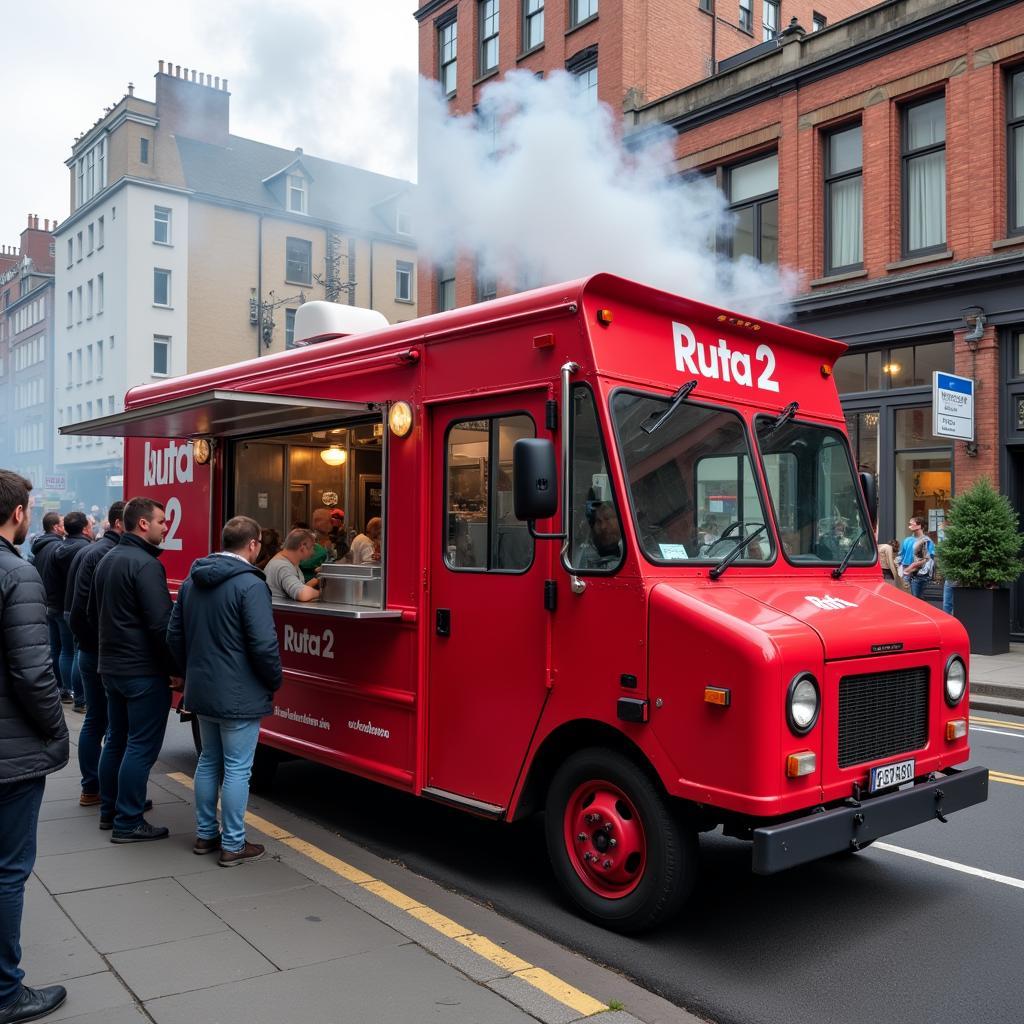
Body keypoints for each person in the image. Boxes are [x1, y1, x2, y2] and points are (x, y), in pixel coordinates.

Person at [167, 516, 283, 867]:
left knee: (208, 761)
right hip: (239, 691)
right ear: (252, 544)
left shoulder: (191, 580)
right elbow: (264, 644)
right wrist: (273, 679)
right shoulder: (251, 585)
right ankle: (233, 844)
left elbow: (174, 635)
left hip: (202, 688)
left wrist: (183, 673)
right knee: (237, 769)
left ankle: (206, 835)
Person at [0, 471, 69, 1024]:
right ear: (19, 513)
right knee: (9, 869)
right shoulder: (16, 573)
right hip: (11, 751)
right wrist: (55, 731)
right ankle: (5, 992)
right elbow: (32, 672)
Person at [89, 497, 180, 842]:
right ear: (143, 524)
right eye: (161, 521)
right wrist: (175, 668)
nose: (165, 526)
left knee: (116, 739)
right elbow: (161, 625)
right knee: (141, 745)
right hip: (141, 670)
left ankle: (109, 811)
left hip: (111, 667)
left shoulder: (107, 558)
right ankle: (128, 820)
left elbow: (91, 613)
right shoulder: (145, 565)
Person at [66, 501, 125, 809]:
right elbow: (84, 611)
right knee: (113, 728)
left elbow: (74, 611)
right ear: (119, 523)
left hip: (90, 650)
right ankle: (109, 793)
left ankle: (91, 787)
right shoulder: (106, 554)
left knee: (95, 721)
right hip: (102, 653)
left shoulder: (90, 551)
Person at [41, 512, 93, 713]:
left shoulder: (56, 548)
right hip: (68, 606)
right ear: (84, 527)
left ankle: (62, 690)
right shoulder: (85, 549)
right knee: (74, 651)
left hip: (52, 605)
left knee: (58, 650)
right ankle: (77, 696)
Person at [28, 514, 65, 703]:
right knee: (67, 650)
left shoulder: (39, 548)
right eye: (62, 522)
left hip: (46, 603)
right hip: (59, 603)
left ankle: (57, 685)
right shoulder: (58, 547)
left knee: (55, 647)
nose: (64, 525)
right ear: (55, 527)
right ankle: (66, 689)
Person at [264, 530, 321, 602]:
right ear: (303, 547)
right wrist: (323, 594)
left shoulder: (289, 562)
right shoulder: (283, 566)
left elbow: (295, 588)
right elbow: (301, 594)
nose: (313, 552)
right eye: (312, 547)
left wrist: (316, 580)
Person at [576, 501, 623, 570]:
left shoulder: (631, 546)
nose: (603, 527)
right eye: (598, 521)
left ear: (620, 520)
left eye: (607, 519)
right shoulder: (587, 551)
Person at [898, 516, 935, 599]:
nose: (909, 526)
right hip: (905, 571)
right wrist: (899, 568)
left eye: (911, 524)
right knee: (906, 598)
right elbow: (901, 555)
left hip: (919, 573)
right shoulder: (907, 540)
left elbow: (929, 559)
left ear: (919, 526)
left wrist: (913, 567)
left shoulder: (927, 541)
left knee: (917, 599)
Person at [299, 508, 334, 582]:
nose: (331, 524)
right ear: (316, 522)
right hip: (308, 582)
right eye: (328, 521)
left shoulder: (330, 541)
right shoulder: (308, 540)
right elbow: (304, 563)